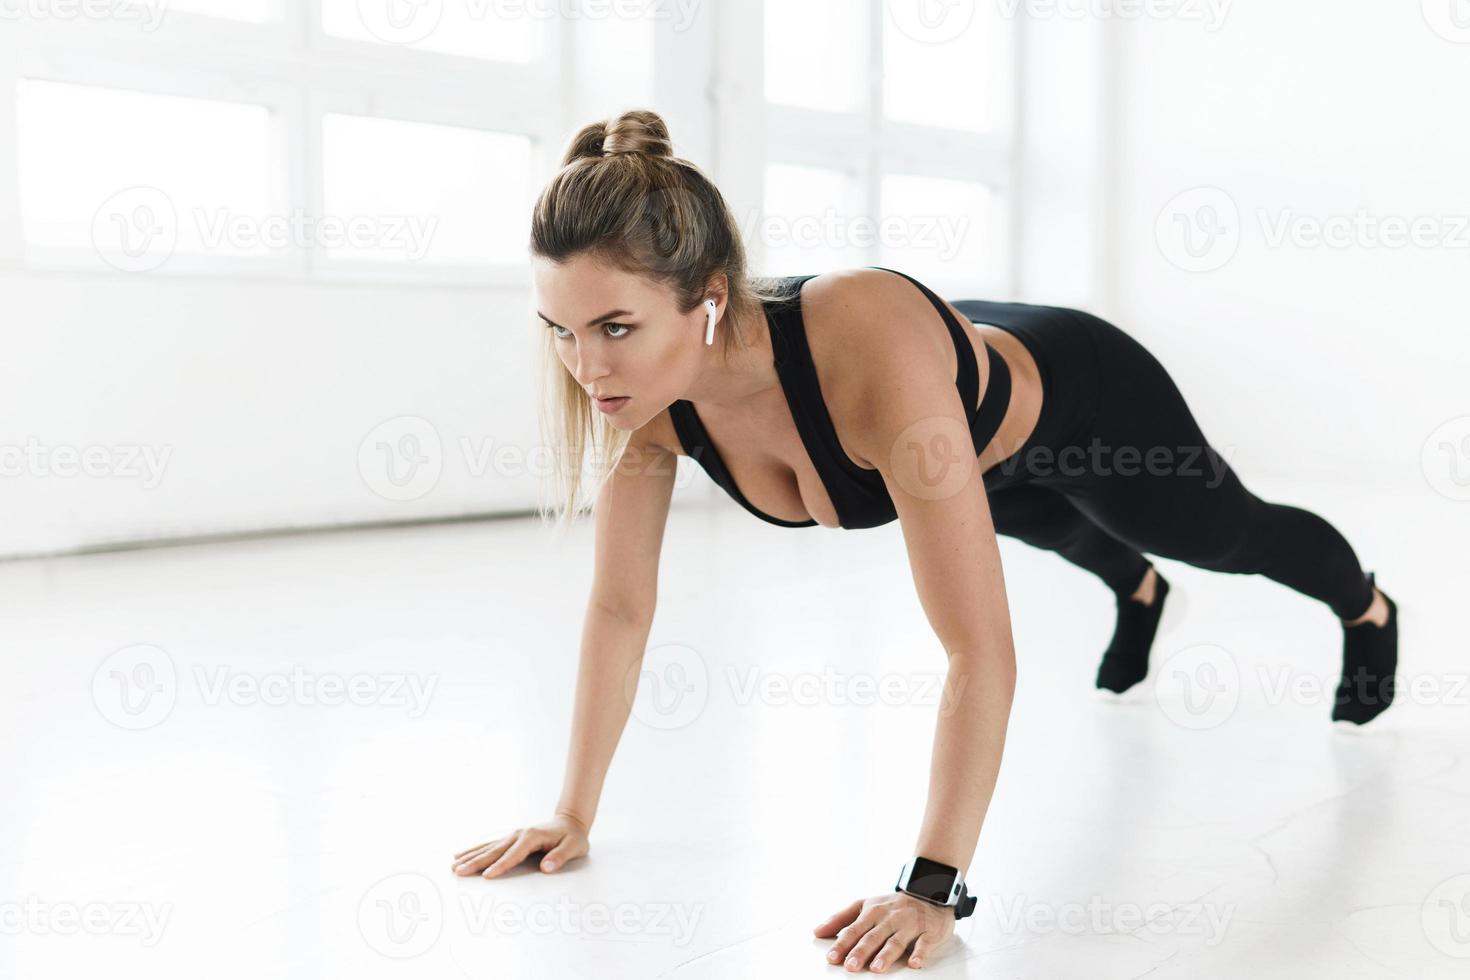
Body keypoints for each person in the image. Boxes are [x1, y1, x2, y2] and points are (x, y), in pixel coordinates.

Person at [449, 110, 1399, 974]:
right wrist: (571, 810)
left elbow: (977, 647)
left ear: (706, 298)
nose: (588, 368)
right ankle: (1136, 596)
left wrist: (931, 887)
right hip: (953, 445)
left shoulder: (864, 341)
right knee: (1053, 529)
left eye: (615, 326)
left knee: (1224, 534)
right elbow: (621, 606)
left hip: (1080, 402)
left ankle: (1366, 604)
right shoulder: (645, 399)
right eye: (562, 332)